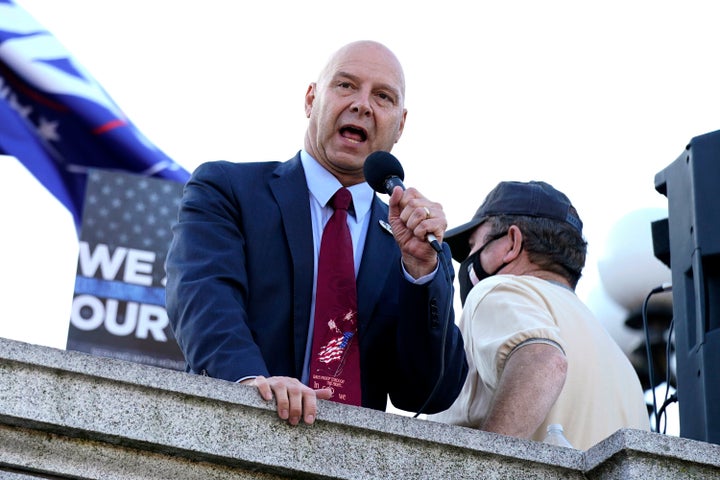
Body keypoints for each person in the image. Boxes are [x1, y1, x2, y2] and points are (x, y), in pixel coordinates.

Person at [165, 40, 468, 426]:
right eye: (345, 85)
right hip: (237, 429)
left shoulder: (413, 243)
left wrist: (423, 273)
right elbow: (203, 298)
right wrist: (250, 383)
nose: (362, 104)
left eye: (383, 96)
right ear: (310, 100)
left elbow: (427, 391)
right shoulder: (227, 188)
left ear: (401, 124)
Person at [427, 180, 649, 450]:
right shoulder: (616, 355)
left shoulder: (497, 290)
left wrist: (487, 468)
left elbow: (544, 361)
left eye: (474, 245)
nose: (468, 259)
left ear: (511, 242)